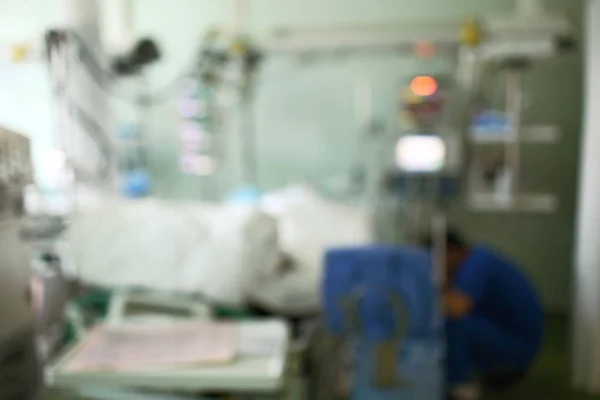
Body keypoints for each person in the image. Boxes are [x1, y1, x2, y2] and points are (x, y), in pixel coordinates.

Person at [423, 229, 544, 400]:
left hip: (518, 346)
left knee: (452, 321)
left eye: (434, 260)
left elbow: (456, 308)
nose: (434, 267)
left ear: (451, 251)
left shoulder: (477, 264)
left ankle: (461, 386)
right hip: (509, 335)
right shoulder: (477, 259)